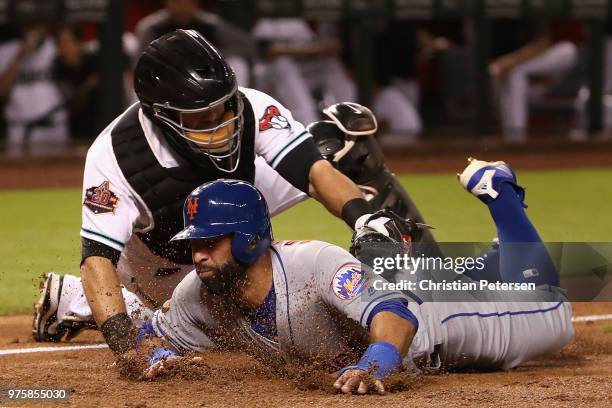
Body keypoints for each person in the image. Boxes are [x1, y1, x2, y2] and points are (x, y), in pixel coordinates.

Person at [31, 30, 426, 360]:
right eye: (201, 118)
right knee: (214, 334)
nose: (220, 125)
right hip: (167, 261)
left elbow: (314, 173)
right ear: (160, 114)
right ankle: (71, 298)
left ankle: (432, 276)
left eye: (223, 109)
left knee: (339, 151)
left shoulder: (251, 108)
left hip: (236, 205)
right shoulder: (115, 155)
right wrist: (124, 343)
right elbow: (97, 259)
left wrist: (362, 218)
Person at [127, 160, 573, 394]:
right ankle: (492, 258)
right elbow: (154, 335)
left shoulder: (312, 264)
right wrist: (153, 356)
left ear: (247, 240)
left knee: (554, 307)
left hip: (442, 318)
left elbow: (395, 317)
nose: (198, 255)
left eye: (211, 242)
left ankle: (501, 194)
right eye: (194, 243)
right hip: (405, 281)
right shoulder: (199, 294)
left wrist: (373, 365)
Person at [489, 18, 585, 142]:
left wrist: (511, 61)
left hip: (555, 74)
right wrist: (507, 64)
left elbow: (544, 42)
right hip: (528, 83)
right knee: (509, 73)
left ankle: (515, 137)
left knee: (567, 49)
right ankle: (514, 138)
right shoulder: (502, 22)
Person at [252, 18, 356, 125]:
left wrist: (304, 50)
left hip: (306, 71)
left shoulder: (325, 18)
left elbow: (336, 47)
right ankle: (310, 126)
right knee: (283, 64)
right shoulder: (274, 17)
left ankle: (352, 119)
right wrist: (313, 49)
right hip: (269, 78)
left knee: (332, 64)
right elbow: (268, 52)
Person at [135, 0, 255, 86]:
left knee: (238, 64)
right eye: (177, 2)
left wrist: (213, 55)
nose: (182, 6)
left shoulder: (210, 24)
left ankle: (238, 106)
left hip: (207, 74)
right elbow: (140, 60)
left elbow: (247, 46)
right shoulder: (152, 27)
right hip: (167, 76)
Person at [0, 25, 68, 155]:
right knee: (18, 174)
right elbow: (2, 91)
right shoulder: (5, 50)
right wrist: (21, 55)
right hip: (20, 129)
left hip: (55, 125)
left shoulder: (56, 46)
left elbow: (75, 67)